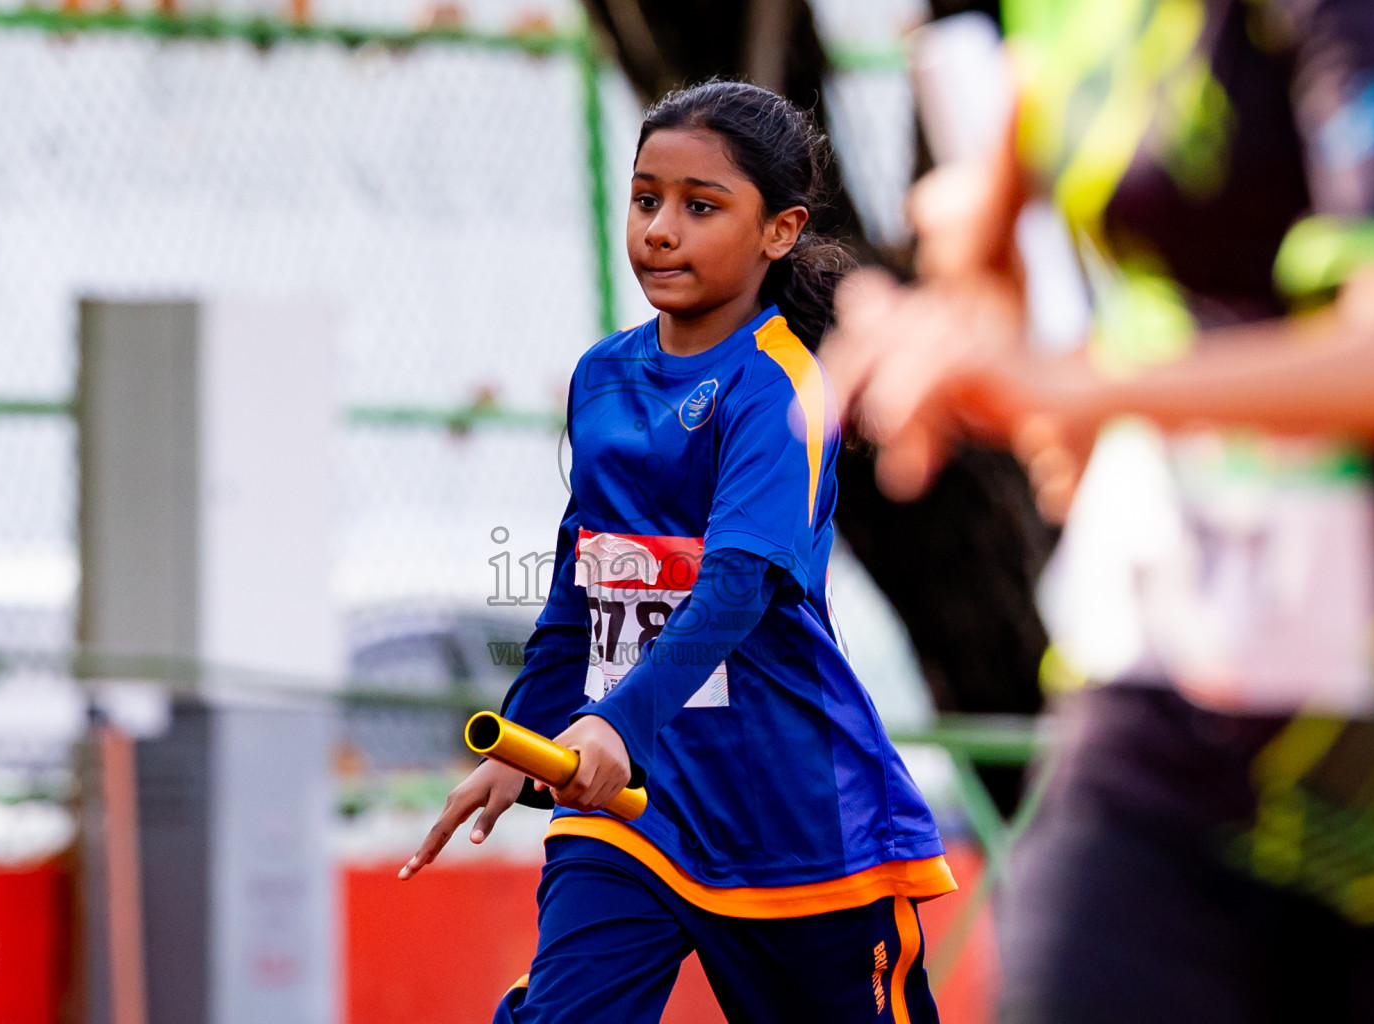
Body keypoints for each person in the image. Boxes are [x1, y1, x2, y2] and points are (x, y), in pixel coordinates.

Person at [823, 1, 1374, 1021]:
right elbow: (988, 243)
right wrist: (943, 335)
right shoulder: (1063, 17)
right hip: (1168, 707)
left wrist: (1083, 390)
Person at [398, 81, 956, 1023]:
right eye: (646, 197)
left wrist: (622, 721)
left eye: (701, 207)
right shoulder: (603, 375)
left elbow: (737, 589)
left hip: (790, 824)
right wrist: (526, 734)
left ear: (780, 231)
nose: (660, 229)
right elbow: (585, 585)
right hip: (630, 812)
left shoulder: (781, 389)